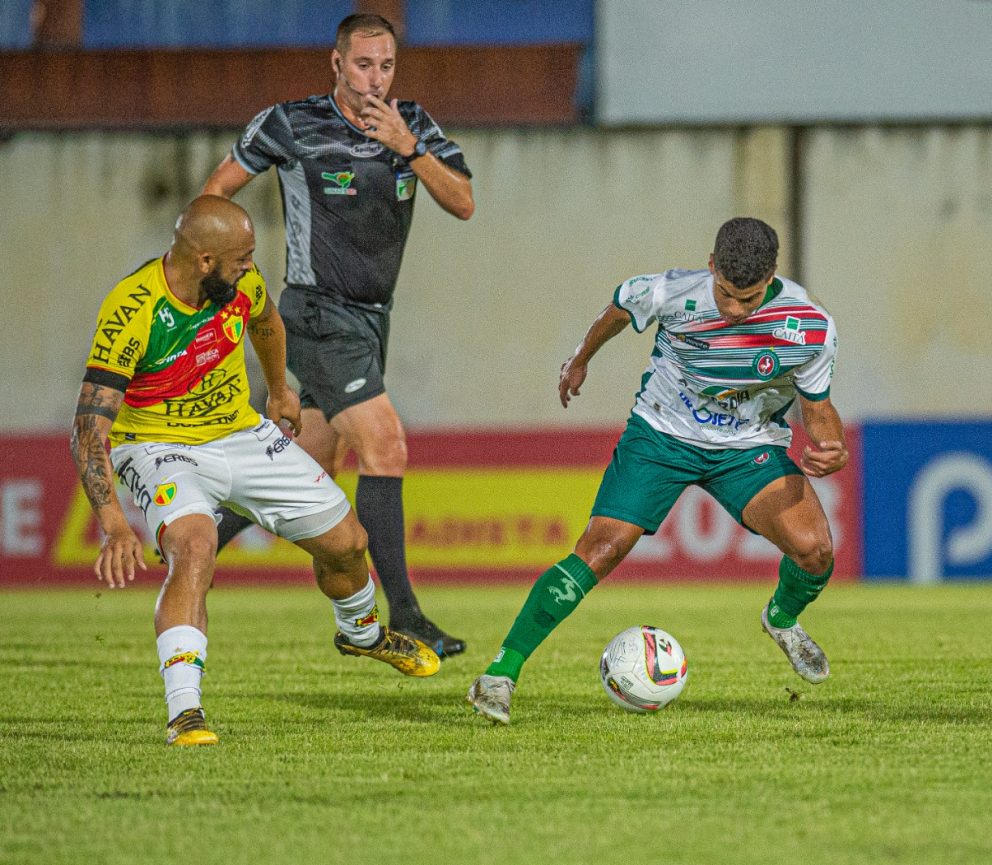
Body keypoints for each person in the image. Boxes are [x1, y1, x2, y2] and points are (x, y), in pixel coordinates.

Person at [71, 196, 440, 746]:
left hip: (241, 433)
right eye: (241, 257)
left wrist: (279, 388)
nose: (250, 266)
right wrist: (115, 525)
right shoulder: (132, 311)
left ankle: (361, 635)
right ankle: (185, 712)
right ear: (203, 261)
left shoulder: (238, 285)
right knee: (195, 547)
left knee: (346, 544)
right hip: (157, 445)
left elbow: (266, 322)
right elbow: (87, 428)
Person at [467, 217, 847, 724]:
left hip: (747, 445)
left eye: (750, 299)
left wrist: (830, 444)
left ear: (773, 275)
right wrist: (580, 359)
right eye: (727, 295)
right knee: (599, 550)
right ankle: (500, 674)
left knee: (816, 550)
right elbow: (619, 309)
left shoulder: (808, 326)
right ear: (711, 267)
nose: (736, 311)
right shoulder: (671, 292)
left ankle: (781, 619)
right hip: (661, 434)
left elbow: (817, 405)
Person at [200, 13, 473, 658]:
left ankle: (195, 533)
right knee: (386, 444)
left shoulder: (416, 125)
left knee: (309, 463)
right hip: (317, 312)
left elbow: (462, 202)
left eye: (386, 66)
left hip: (374, 320)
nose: (375, 79)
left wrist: (410, 147)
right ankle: (404, 615)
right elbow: (216, 192)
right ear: (336, 63)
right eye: (362, 65)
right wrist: (231, 277)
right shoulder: (291, 123)